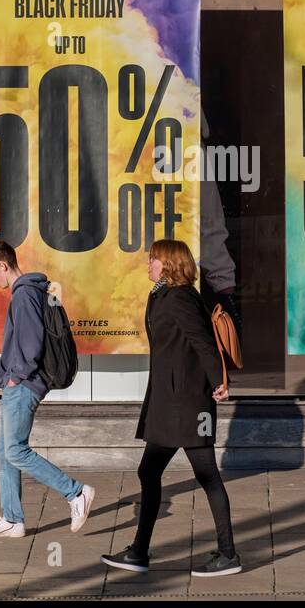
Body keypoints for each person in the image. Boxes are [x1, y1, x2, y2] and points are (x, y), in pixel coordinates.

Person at [102, 239, 241, 577]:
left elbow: (203, 342)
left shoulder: (178, 298)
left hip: (188, 404)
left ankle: (227, 555)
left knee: (206, 475)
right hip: (172, 403)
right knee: (149, 473)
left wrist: (219, 381)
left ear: (168, 264)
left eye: (153, 259)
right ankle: (138, 552)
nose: (148, 264)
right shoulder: (167, 295)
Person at [0, 240, 95, 540]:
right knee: (3, 453)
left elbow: (31, 341)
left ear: (3, 265)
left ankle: (75, 492)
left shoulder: (24, 294)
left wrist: (16, 376)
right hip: (22, 381)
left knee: (15, 450)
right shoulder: (32, 291)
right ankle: (13, 519)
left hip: (23, 383)